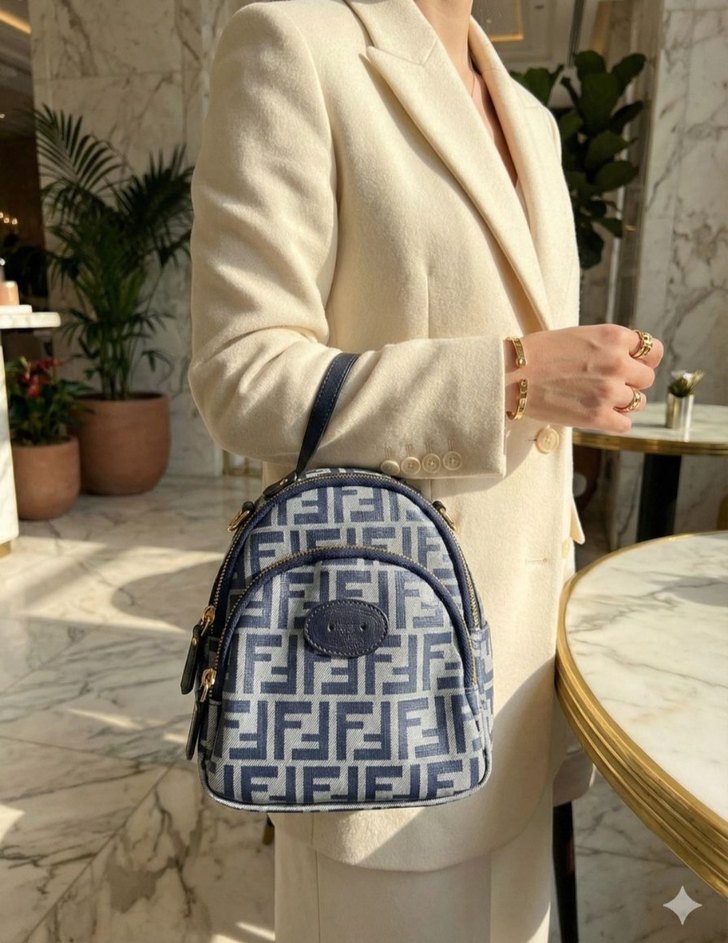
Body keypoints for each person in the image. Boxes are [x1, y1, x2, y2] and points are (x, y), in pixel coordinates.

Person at [187, 0, 664, 938]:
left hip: (521, 671)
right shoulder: (293, 44)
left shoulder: (528, 118)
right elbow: (241, 374)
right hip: (377, 668)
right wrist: (512, 379)